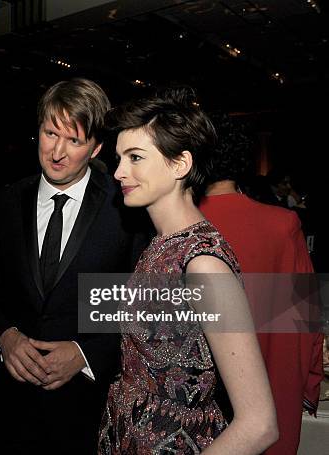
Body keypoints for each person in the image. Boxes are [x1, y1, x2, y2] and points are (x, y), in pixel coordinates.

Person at [99, 88, 278, 454]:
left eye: (135, 157)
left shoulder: (203, 265)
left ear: (180, 165)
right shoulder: (160, 244)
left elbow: (259, 424)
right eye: (118, 158)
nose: (118, 172)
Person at [0, 78, 146, 454]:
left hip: (86, 409)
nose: (57, 152)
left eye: (75, 140)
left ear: (97, 147)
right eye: (51, 133)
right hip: (11, 409)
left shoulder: (125, 208)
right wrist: (6, 336)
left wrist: (85, 353)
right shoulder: (6, 200)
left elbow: (139, 307)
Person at [199, 115, 323, 454]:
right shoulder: (283, 224)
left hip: (196, 401)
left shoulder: (177, 226)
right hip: (267, 389)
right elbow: (306, 316)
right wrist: (310, 380)